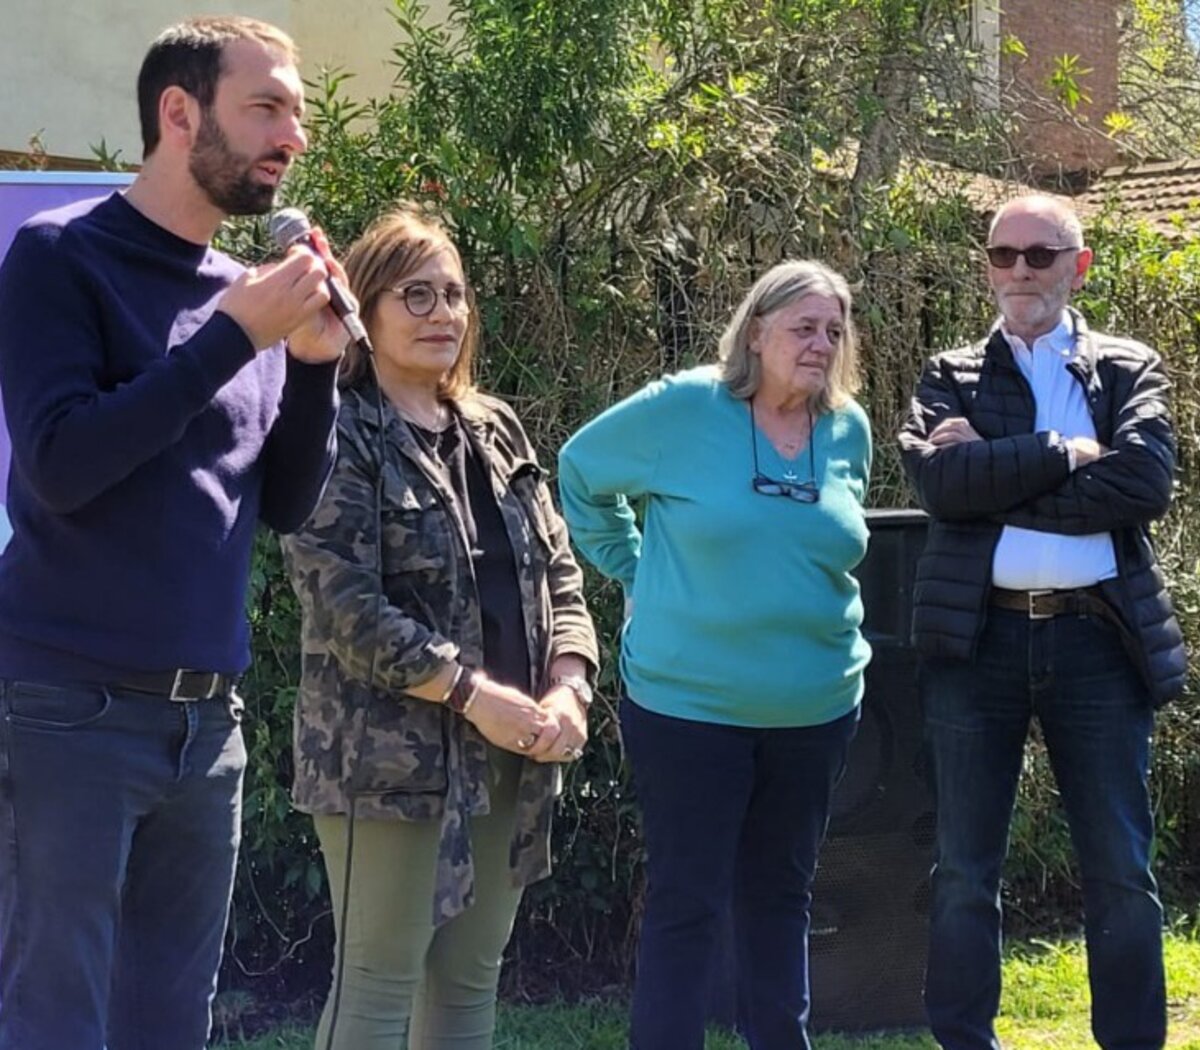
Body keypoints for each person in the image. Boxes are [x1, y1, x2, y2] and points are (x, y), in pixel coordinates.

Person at [0, 17, 347, 1050]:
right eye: (267, 108)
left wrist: (317, 365)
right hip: (66, 711)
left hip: (207, 729)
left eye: (299, 113)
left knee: (169, 1025)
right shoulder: (62, 256)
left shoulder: (245, 299)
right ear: (178, 113)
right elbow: (61, 467)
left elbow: (283, 504)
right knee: (56, 1020)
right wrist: (238, 335)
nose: (294, 136)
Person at [280, 205, 598, 1050]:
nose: (442, 315)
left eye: (453, 295)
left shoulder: (494, 428)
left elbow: (559, 571)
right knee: (377, 989)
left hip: (512, 749)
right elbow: (342, 604)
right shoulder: (339, 429)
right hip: (386, 764)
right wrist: (470, 692)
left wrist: (570, 682)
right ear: (366, 310)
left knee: (468, 986)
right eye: (414, 295)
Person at [558, 260, 871, 1050]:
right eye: (804, 328)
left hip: (815, 710)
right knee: (688, 902)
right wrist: (637, 570)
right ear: (756, 331)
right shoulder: (683, 409)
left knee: (783, 896)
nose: (821, 345)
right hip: (688, 710)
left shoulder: (848, 428)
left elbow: (830, 542)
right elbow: (579, 473)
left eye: (834, 332)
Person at [898, 194, 1184, 1050]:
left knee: (1121, 873)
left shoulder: (1127, 367)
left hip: (1096, 639)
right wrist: (1064, 454)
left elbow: (1144, 487)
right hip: (975, 643)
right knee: (962, 873)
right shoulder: (949, 374)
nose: (1019, 270)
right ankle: (963, 1041)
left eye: (1040, 254)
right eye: (1002, 254)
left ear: (1078, 265)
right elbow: (943, 491)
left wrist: (995, 476)